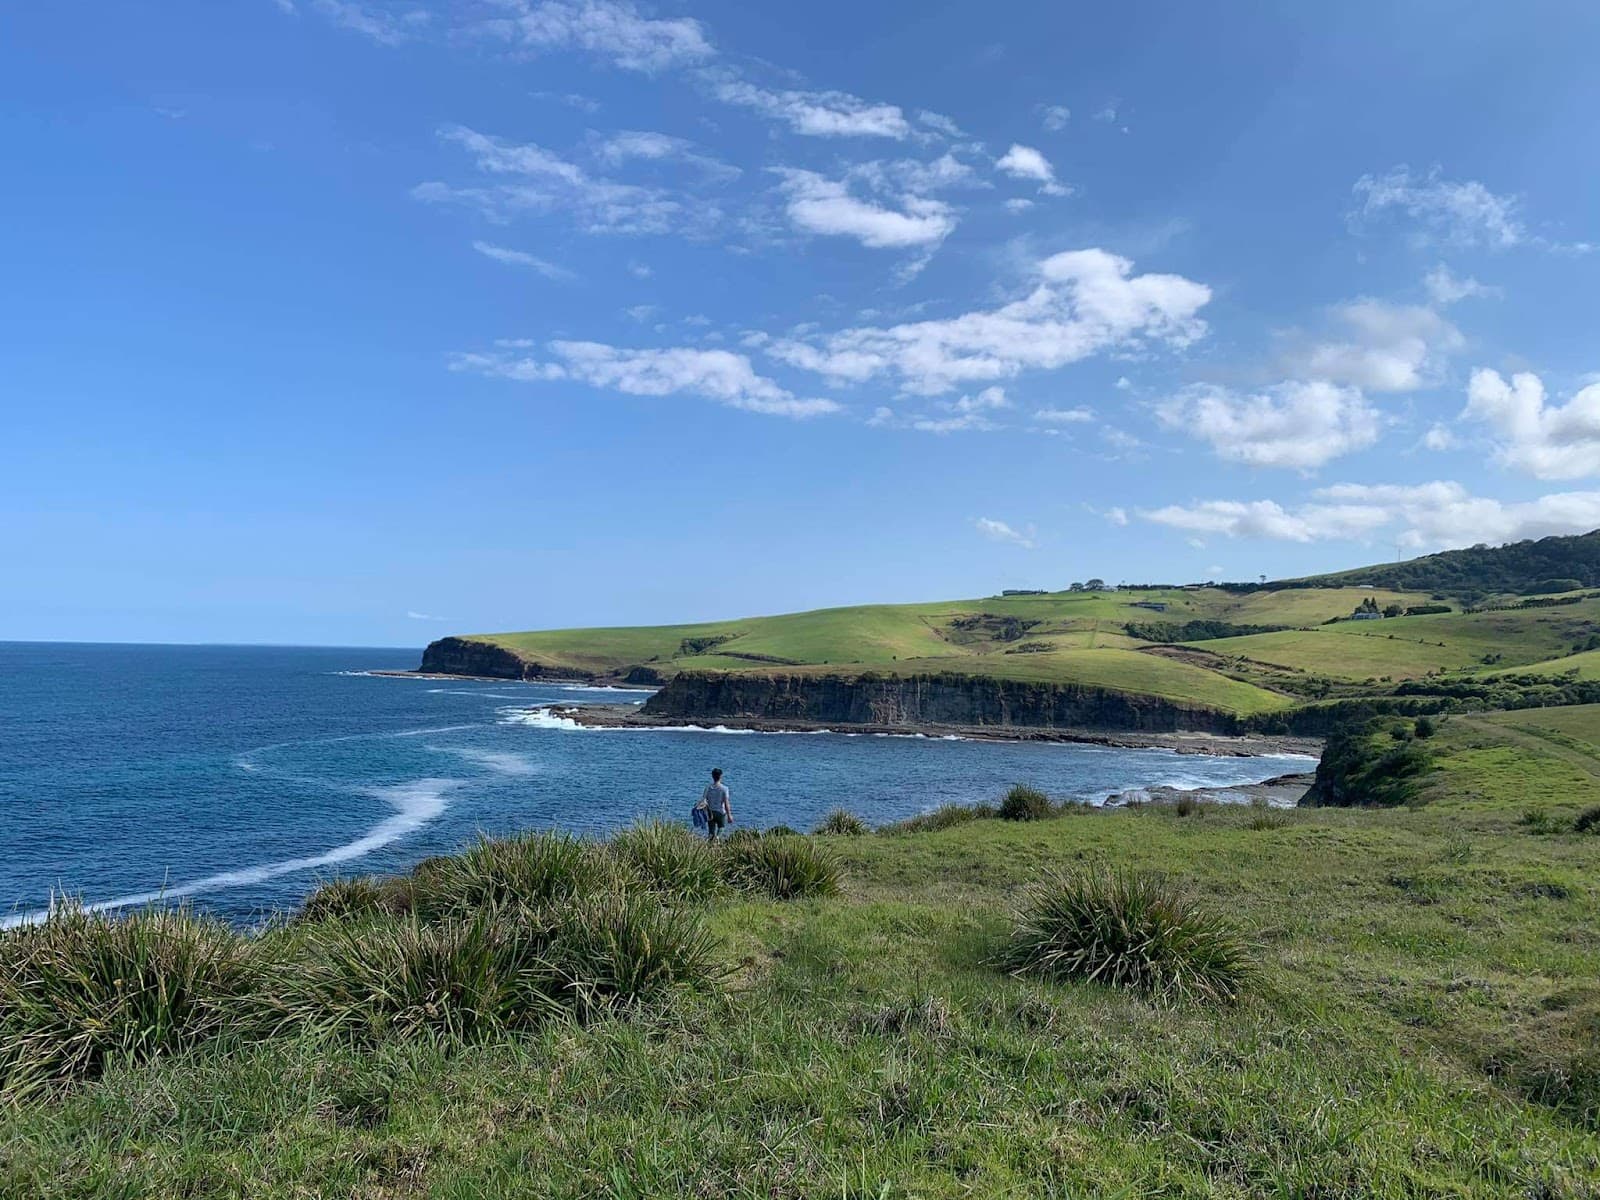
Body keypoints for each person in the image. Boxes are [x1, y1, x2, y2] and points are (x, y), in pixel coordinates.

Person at [698, 767, 733, 842]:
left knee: (711, 831)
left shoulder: (708, 787)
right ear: (721, 776)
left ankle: (710, 844)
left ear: (712, 776)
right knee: (721, 827)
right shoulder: (724, 788)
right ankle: (718, 837)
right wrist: (729, 815)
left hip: (710, 812)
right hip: (721, 812)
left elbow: (703, 800)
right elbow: (726, 803)